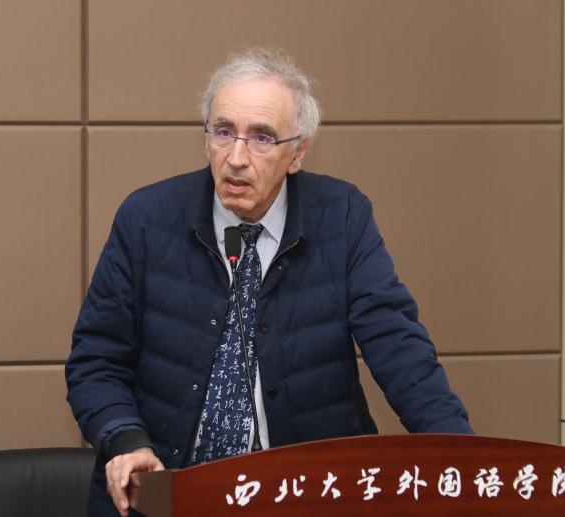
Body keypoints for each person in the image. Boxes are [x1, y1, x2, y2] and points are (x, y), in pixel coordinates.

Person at [65, 47, 472, 516]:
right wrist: (126, 440)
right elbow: (96, 360)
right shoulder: (146, 218)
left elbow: (399, 348)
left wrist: (462, 460)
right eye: (223, 132)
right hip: (164, 494)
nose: (236, 158)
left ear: (297, 153)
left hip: (302, 496)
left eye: (261, 138)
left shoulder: (342, 216)